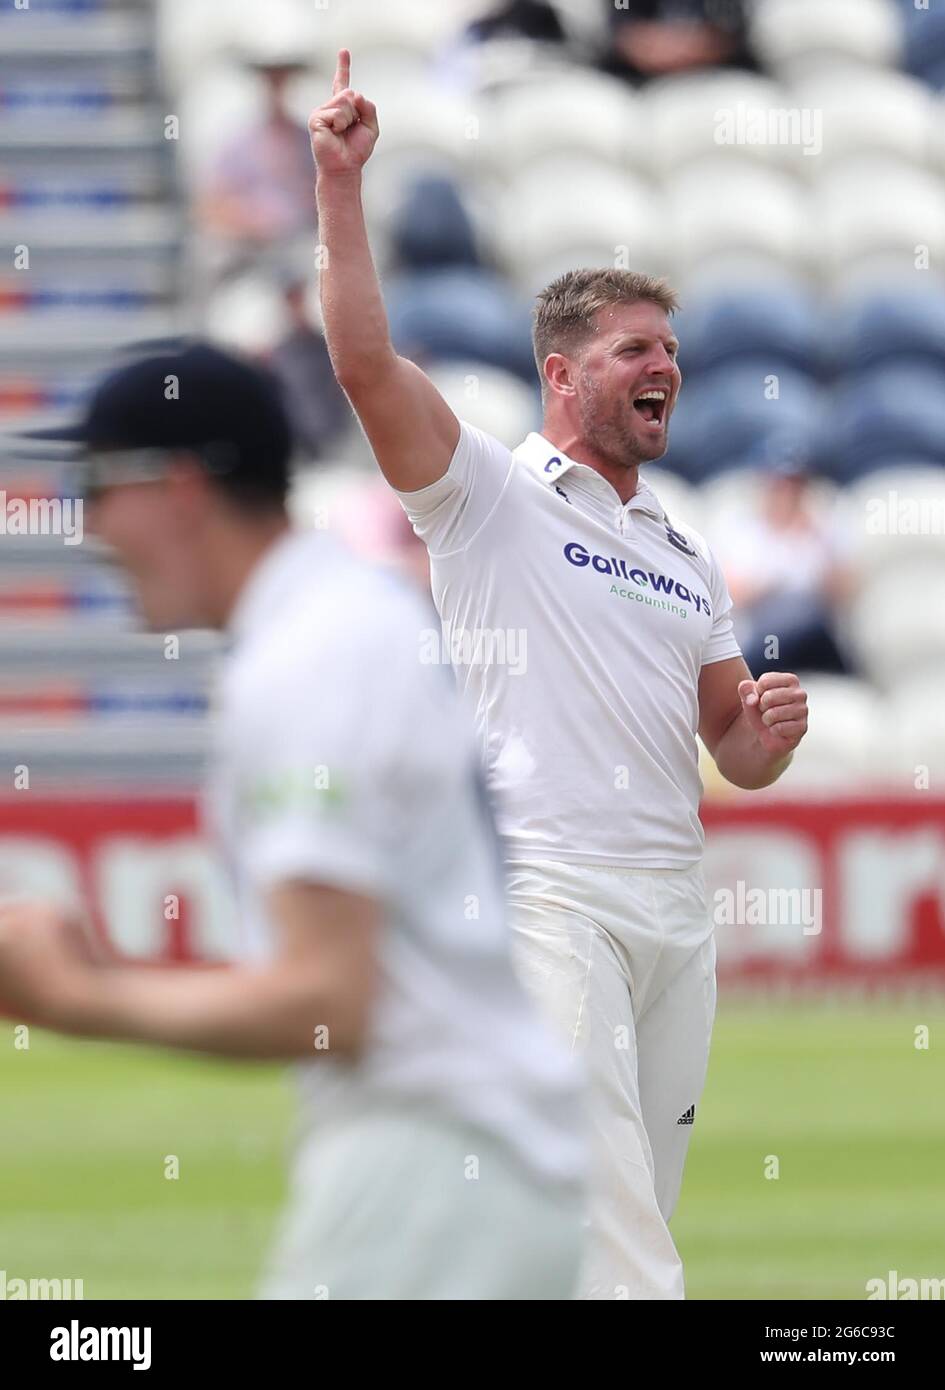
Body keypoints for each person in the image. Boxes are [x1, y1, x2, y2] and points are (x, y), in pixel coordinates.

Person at [310, 50, 810, 1300]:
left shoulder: (687, 545)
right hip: (547, 888)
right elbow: (367, 366)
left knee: (616, 1211)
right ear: (561, 373)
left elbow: (728, 752)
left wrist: (769, 731)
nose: (667, 368)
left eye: (675, 350)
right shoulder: (487, 493)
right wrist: (339, 187)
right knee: (621, 1227)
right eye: (637, 348)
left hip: (671, 903)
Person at [0, 343, 586, 1301]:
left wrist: (80, 1000)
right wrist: (101, 979)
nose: (87, 523)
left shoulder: (311, 658)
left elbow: (328, 1004)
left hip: (433, 1170)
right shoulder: (338, 623)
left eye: (97, 484)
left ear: (181, 488)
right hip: (472, 1168)